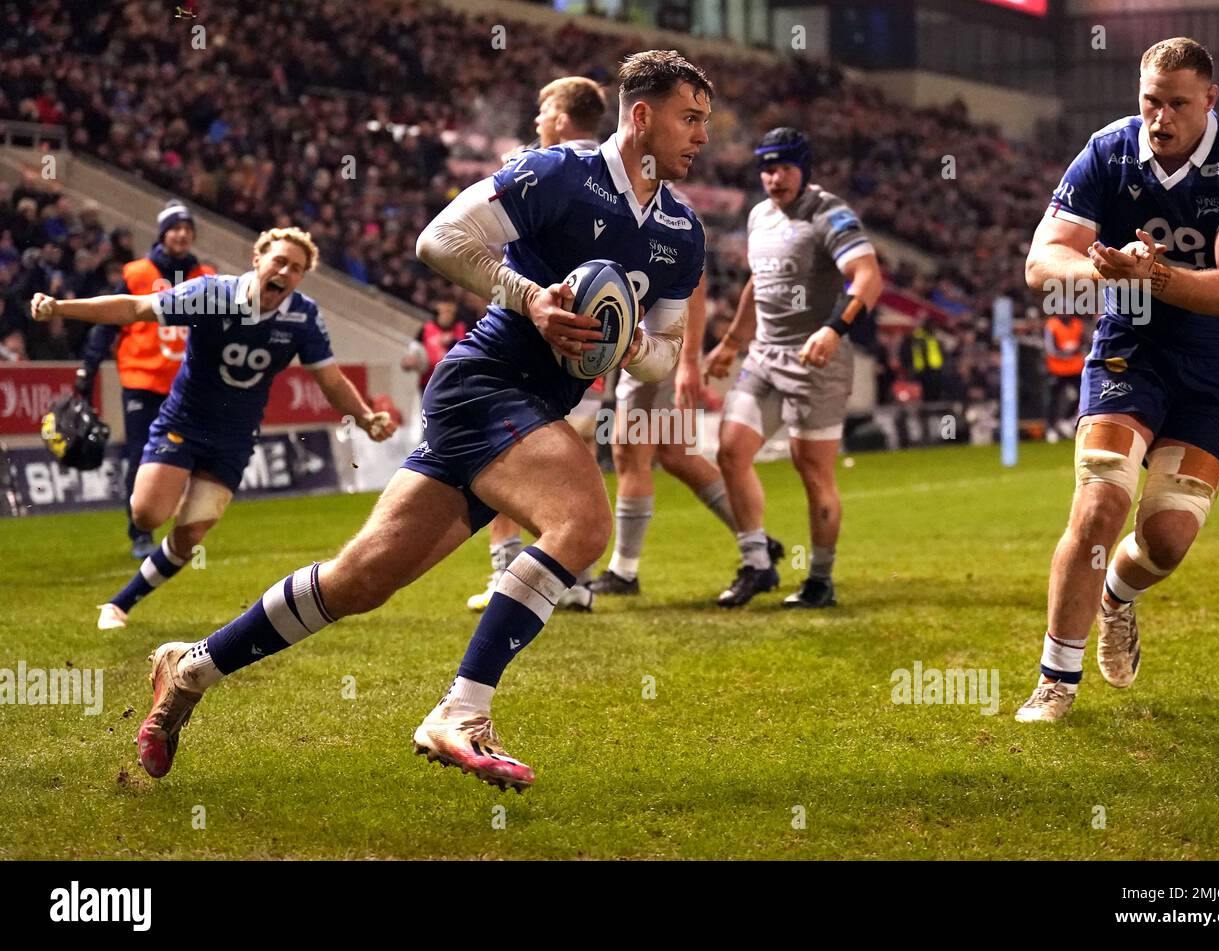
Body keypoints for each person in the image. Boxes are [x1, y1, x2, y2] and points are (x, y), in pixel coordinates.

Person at [127, 51, 712, 791]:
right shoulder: (560, 173)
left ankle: (189, 668)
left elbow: (662, 354)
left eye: (704, 123)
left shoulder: (682, 232)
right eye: (689, 118)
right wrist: (530, 297)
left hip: (532, 405)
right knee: (583, 522)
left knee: (358, 580)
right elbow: (439, 240)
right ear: (641, 115)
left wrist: (621, 340)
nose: (699, 137)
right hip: (487, 382)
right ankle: (460, 711)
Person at [1016, 37, 1219, 722]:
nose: (1160, 118)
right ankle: (1056, 678)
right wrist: (1102, 273)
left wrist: (1155, 275)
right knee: (1101, 495)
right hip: (1131, 349)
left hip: (1213, 366)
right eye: (1150, 101)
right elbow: (1042, 267)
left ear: (1210, 101)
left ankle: (1117, 599)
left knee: (1165, 539)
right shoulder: (1109, 150)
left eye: (1178, 104)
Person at [30, 227, 396, 632]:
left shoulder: (303, 316)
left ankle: (119, 603)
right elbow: (134, 309)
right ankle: (167, 492)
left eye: (296, 268)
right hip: (183, 423)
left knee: (190, 538)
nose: (285, 272)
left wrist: (364, 417)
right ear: (257, 260)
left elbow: (330, 380)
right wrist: (60, 307)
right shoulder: (210, 294)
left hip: (234, 439)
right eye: (279, 261)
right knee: (148, 514)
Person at [704, 127, 882, 608]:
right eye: (767, 168)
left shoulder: (829, 214)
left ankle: (820, 580)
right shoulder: (760, 215)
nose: (774, 177)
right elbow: (756, 285)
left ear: (804, 169)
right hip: (763, 356)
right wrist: (731, 342)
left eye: (784, 167)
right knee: (731, 451)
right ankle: (757, 563)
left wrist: (832, 330)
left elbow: (867, 277)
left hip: (815, 362)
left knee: (812, 472)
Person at [468, 75, 609, 614]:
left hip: (527, 335)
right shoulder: (617, 180)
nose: (536, 120)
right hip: (590, 345)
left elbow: (476, 235)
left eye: (543, 109)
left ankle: (512, 571)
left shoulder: (538, 170)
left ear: (562, 115)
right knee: (579, 456)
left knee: (501, 452)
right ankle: (576, 580)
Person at [590, 273, 783, 596]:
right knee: (677, 456)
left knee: (628, 450)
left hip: (656, 349)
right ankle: (757, 541)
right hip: (651, 346)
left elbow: (695, 284)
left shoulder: (673, 223)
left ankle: (623, 572)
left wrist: (689, 361)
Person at [77, 200, 216, 557]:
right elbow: (108, 321)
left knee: (195, 459)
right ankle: (139, 532)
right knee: (142, 458)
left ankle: (184, 533)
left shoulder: (206, 276)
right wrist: (87, 371)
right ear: (162, 233)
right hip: (141, 381)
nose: (182, 234)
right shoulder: (138, 273)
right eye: (175, 228)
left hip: (188, 386)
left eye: (188, 229)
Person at [1042, 311, 1086, 443]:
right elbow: (1050, 349)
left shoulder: (1077, 324)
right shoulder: (1052, 325)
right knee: (1053, 400)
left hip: (1075, 368)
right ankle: (1051, 428)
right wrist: (1066, 353)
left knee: (1083, 396)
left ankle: (1067, 419)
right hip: (1057, 369)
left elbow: (1083, 343)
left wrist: (1075, 351)